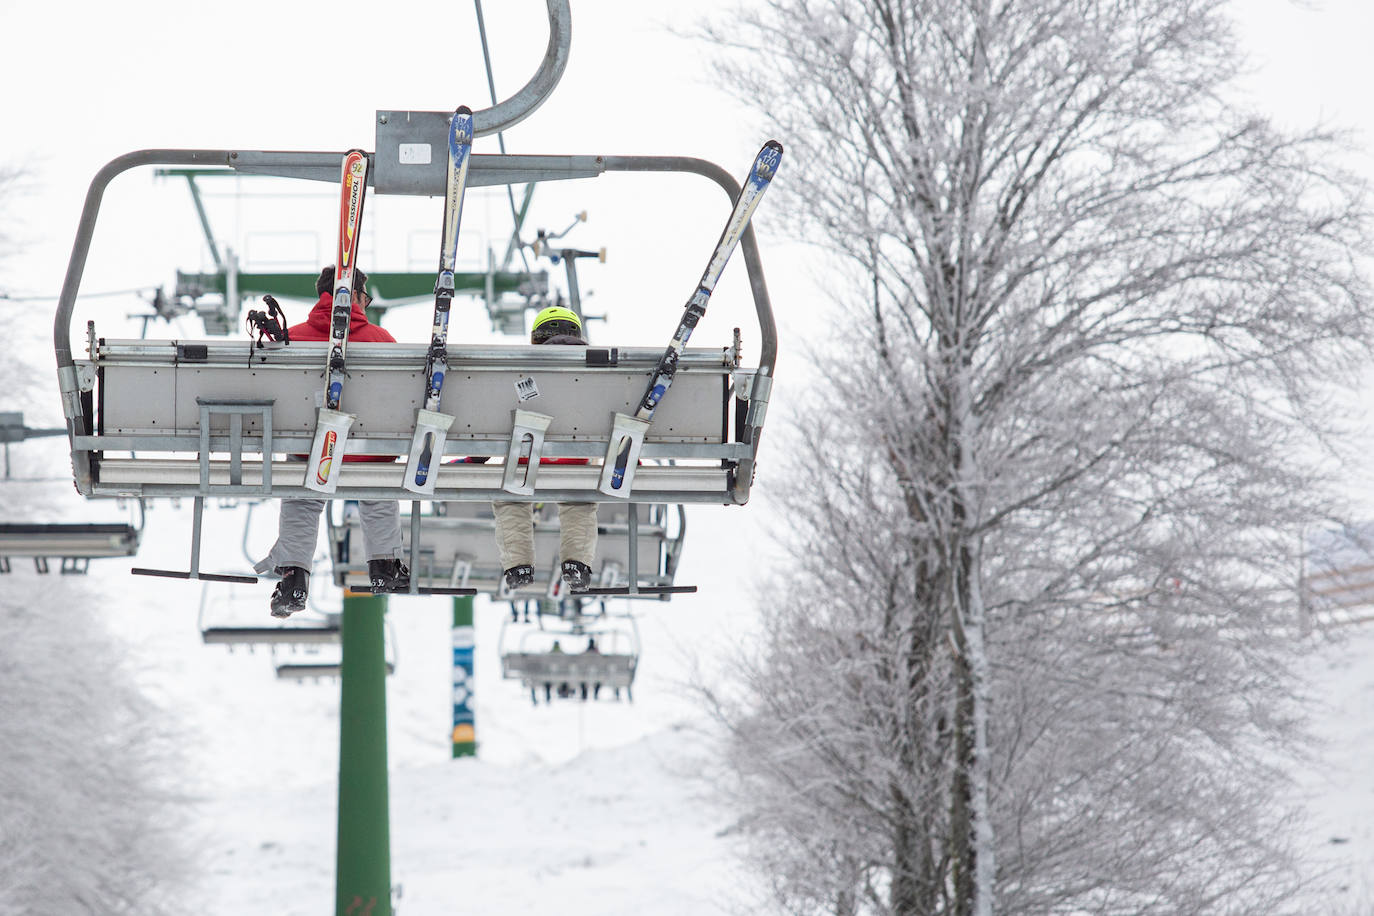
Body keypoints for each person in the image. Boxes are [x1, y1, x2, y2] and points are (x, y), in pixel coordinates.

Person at [254, 266, 409, 617]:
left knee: (303, 499)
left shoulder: (291, 338)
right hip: (369, 454)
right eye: (365, 298)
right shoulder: (381, 341)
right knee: (378, 488)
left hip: (312, 452)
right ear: (354, 297)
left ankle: (295, 577)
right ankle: (384, 565)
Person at [495, 306, 599, 592]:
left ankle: (518, 565)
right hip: (575, 457)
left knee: (511, 498)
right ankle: (576, 563)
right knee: (579, 500)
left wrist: (475, 457)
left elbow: (493, 418)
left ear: (535, 339)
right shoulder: (598, 372)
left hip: (527, 456)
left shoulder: (517, 369)